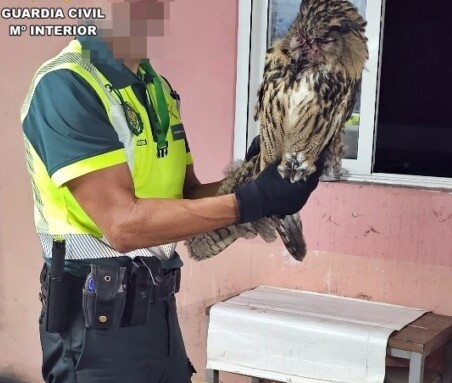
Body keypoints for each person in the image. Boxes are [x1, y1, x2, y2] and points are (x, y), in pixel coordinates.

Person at [20, 1, 324, 382]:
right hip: (94, 330)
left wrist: (258, 179)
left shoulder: (157, 89)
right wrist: (249, 202)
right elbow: (123, 225)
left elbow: (187, 197)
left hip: (159, 313)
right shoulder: (67, 85)